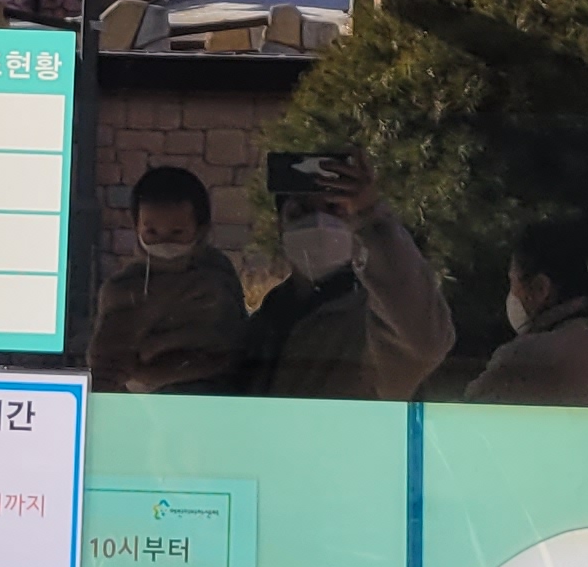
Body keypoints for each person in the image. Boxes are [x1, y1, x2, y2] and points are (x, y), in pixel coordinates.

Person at [228, 146, 452, 398]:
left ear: (356, 224)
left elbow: (424, 344)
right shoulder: (264, 325)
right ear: (280, 225)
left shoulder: (378, 324)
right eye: (300, 212)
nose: (318, 223)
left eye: (335, 210)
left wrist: (372, 218)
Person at [468, 216, 588, 407]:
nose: (511, 293)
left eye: (513, 281)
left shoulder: (528, 359)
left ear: (540, 288)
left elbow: (471, 415)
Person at [86, 164, 248, 393]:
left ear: (201, 229)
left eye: (177, 233)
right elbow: (106, 364)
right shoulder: (123, 289)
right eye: (152, 232)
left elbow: (231, 347)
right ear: (136, 228)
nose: (164, 242)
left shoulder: (215, 277)